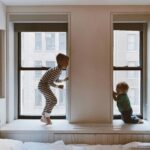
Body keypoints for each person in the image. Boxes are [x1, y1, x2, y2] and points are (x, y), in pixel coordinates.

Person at [38, 53, 69, 125]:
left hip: (44, 86)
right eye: (66, 62)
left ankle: (43, 117)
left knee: (49, 101)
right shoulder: (56, 70)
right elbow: (50, 82)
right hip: (43, 86)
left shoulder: (58, 70)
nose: (67, 64)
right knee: (54, 100)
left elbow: (55, 80)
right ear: (60, 62)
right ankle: (47, 117)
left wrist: (63, 80)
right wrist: (58, 87)